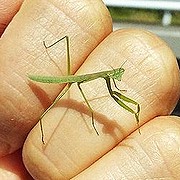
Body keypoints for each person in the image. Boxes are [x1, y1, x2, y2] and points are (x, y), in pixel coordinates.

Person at [0, 0, 180, 179]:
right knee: (65, 48)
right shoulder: (98, 76)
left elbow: (112, 91)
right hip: (58, 82)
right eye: (116, 74)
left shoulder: (105, 77)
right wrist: (93, 117)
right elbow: (103, 94)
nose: (117, 76)